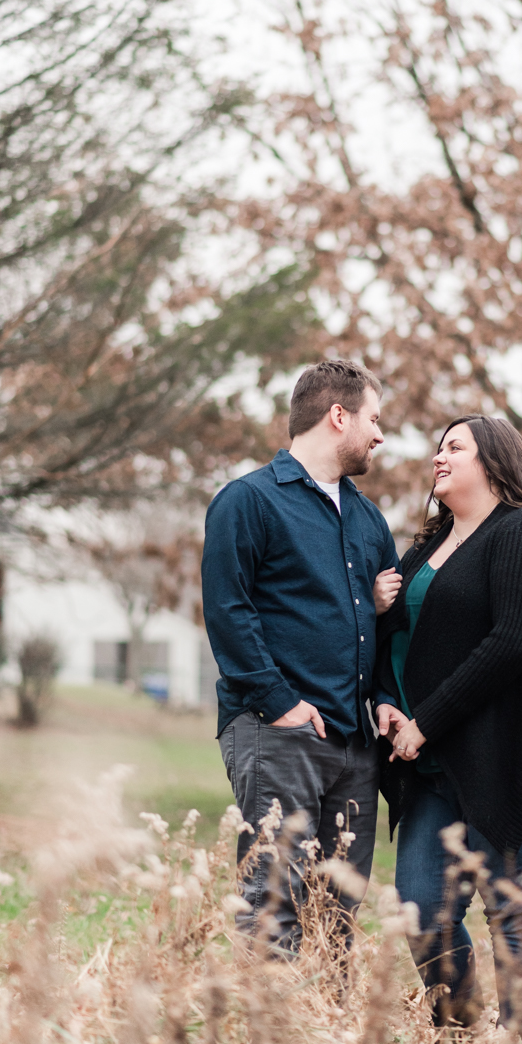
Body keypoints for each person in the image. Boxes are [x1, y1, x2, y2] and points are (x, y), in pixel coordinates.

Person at [376, 414, 522, 1044]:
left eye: (454, 447)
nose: (437, 457)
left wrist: (427, 720)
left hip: (520, 753)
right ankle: (462, 1030)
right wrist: (388, 700)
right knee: (422, 905)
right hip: (439, 762)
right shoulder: (429, 545)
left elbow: (513, 643)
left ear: (492, 460)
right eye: (437, 447)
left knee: (512, 907)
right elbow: (398, 641)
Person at [202, 360, 407, 951]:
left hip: (354, 741)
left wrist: (386, 700)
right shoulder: (247, 502)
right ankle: (274, 1041)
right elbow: (228, 612)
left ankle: (327, 1039)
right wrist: (281, 704)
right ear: (337, 416)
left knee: (336, 912)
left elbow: (385, 627)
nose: (380, 434)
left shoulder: (369, 520)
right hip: (278, 728)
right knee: (273, 904)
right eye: (373, 418)